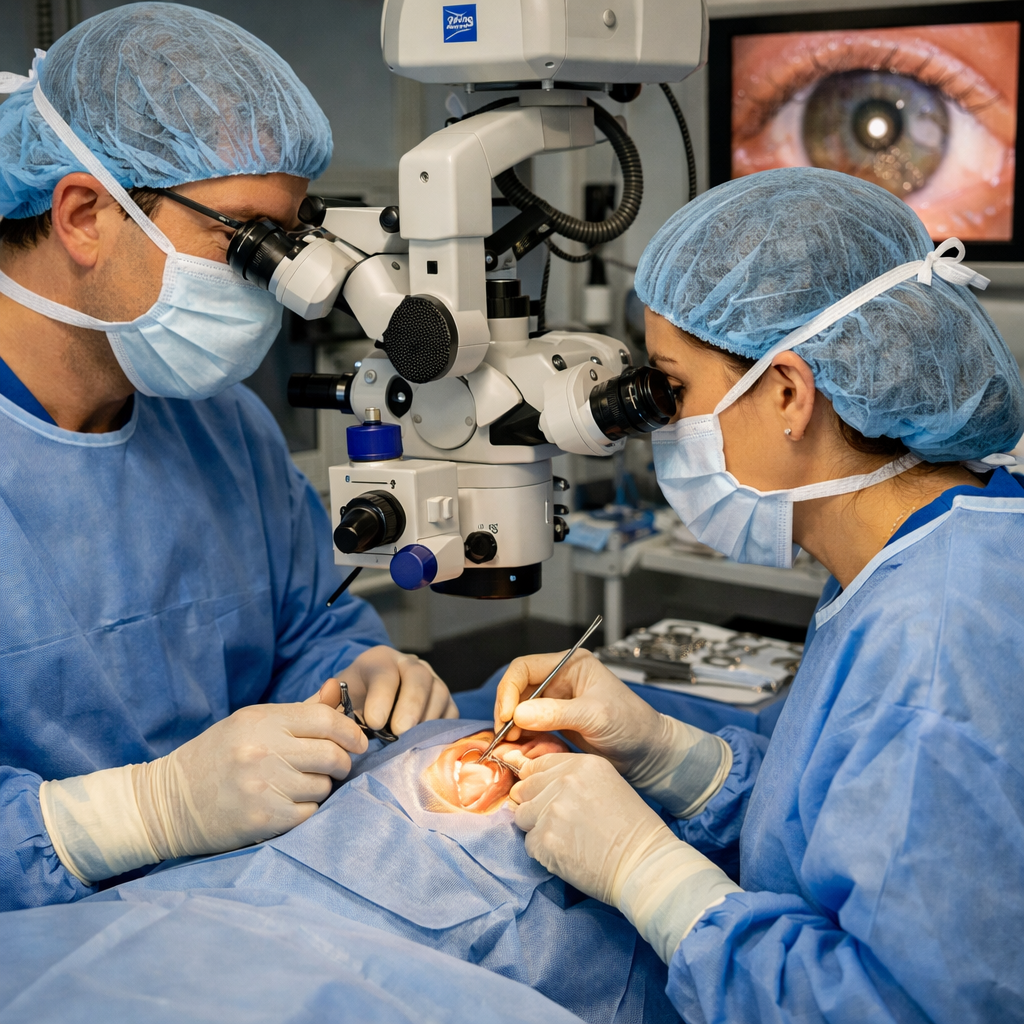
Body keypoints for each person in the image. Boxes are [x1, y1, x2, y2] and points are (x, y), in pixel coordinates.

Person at [494, 168, 1024, 1023]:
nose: (663, 425)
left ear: (787, 394)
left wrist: (647, 875)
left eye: (671, 387)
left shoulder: (936, 643)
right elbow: (844, 830)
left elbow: (900, 1005)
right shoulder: (927, 554)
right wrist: (672, 758)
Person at [0, 3, 457, 914]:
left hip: (244, 914)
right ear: (86, 214)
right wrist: (139, 814)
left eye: (288, 238)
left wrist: (357, 679)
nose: (277, 282)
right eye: (245, 240)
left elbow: (304, 630)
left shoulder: (223, 429)